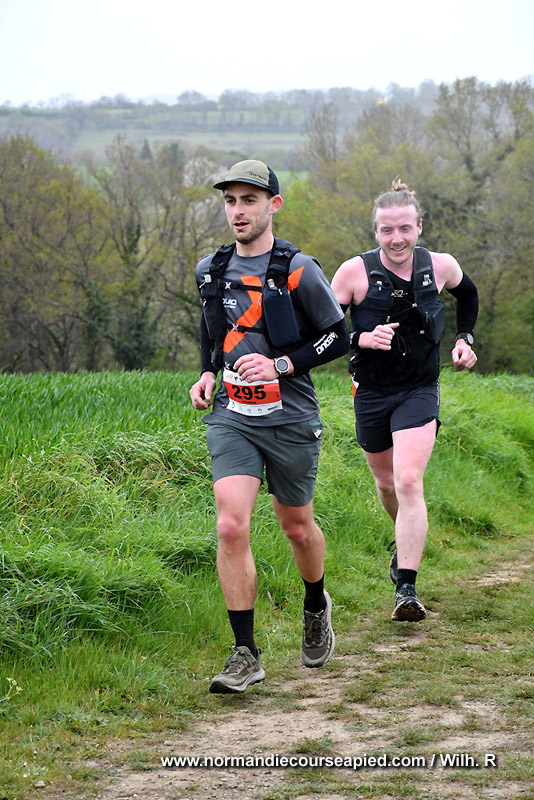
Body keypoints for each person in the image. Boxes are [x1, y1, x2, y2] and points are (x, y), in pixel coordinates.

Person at [190, 159, 349, 693]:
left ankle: (315, 604)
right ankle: (245, 653)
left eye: (249, 200)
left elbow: (337, 336)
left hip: (291, 416)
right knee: (230, 526)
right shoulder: (211, 270)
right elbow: (212, 331)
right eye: (230, 201)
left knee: (296, 526)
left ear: (273, 205)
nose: (238, 211)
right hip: (232, 416)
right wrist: (208, 373)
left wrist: (281, 365)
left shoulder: (298, 269)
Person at [331, 179, 478, 622]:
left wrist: (465, 338)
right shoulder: (353, 273)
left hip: (419, 388)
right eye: (386, 230)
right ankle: (403, 538)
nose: (396, 239)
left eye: (405, 229)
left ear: (419, 227)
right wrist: (361, 337)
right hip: (371, 392)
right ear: (376, 231)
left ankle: (406, 589)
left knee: (409, 480)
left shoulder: (440, 266)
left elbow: (467, 294)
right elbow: (322, 333)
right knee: (387, 485)